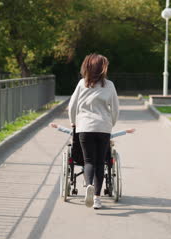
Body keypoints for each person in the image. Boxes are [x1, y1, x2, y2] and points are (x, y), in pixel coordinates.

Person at [68, 53, 119, 209]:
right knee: (99, 162)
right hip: (103, 127)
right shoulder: (109, 85)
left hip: (84, 127)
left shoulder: (81, 84)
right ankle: (97, 198)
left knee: (88, 161)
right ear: (102, 69)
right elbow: (115, 108)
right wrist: (112, 124)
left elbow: (72, 106)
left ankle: (88, 185)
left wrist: (73, 122)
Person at [49, 123, 135, 139]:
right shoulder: (102, 132)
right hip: (100, 156)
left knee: (86, 163)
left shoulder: (80, 133)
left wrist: (58, 126)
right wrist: (126, 131)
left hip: (82, 156)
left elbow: (68, 131)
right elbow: (112, 135)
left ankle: (88, 182)